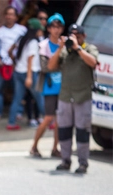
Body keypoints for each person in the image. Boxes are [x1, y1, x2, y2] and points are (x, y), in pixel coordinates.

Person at [48, 24, 98, 174]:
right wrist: (60, 48)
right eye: (72, 35)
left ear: (84, 36)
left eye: (78, 35)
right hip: (65, 96)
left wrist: (78, 48)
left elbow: (93, 63)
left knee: (83, 131)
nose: (75, 38)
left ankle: (83, 163)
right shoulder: (65, 51)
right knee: (64, 130)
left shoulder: (88, 48)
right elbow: (51, 66)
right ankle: (65, 160)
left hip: (82, 97)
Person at [30, 13, 65, 158]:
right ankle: (34, 146)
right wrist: (59, 52)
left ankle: (55, 148)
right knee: (48, 118)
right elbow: (46, 67)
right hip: (49, 86)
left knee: (60, 119)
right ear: (49, 29)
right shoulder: (43, 45)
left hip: (64, 86)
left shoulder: (66, 42)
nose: (56, 30)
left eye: (59, 27)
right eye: (53, 27)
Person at [6, 18, 45, 131]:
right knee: (39, 98)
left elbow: (10, 51)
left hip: (18, 71)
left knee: (17, 98)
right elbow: (30, 59)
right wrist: (29, 77)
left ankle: (11, 122)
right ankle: (50, 120)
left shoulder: (21, 39)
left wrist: (15, 62)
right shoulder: (33, 42)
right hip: (29, 73)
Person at [0, 6, 27, 120]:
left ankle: (18, 111)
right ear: (5, 16)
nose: (9, 17)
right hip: (3, 65)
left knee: (18, 89)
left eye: (12, 14)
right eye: (8, 14)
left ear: (16, 17)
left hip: (17, 65)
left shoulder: (22, 30)